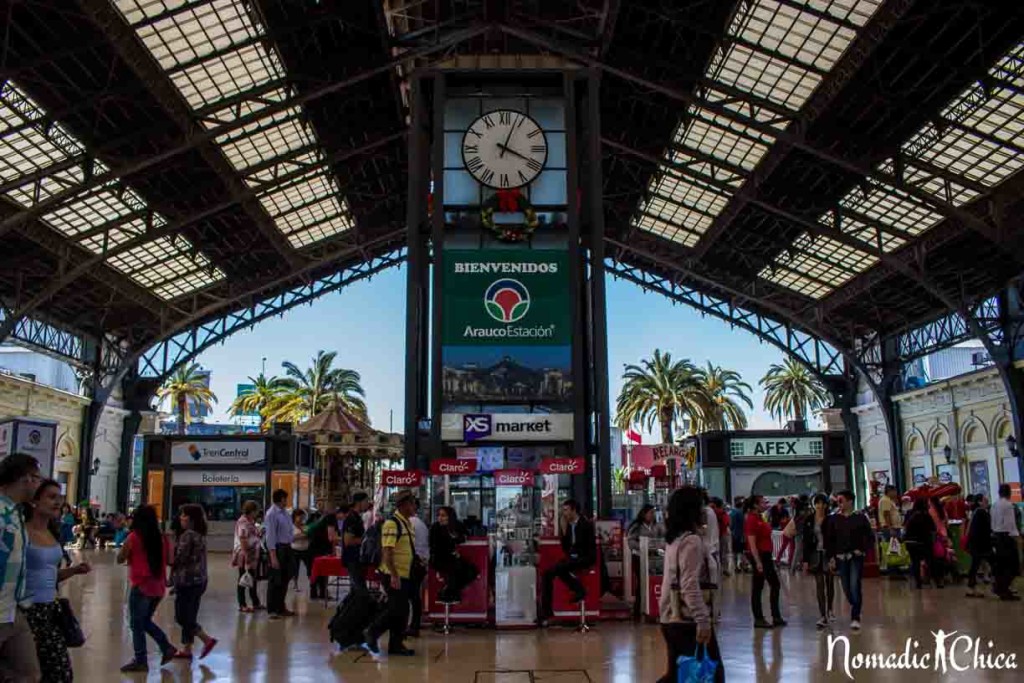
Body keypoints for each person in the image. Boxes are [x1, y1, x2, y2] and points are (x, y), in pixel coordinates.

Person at [22, 478, 91, 683]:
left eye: (60, 497)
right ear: (35, 501)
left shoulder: (52, 534)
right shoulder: (21, 532)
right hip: (27, 609)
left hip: (50, 610)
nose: (58, 502)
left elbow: (49, 576)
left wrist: (74, 571)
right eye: (51, 497)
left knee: (60, 671)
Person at [656, 486, 724, 683]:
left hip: (670, 617)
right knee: (713, 674)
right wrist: (703, 620)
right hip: (687, 621)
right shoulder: (691, 541)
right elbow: (689, 585)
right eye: (701, 506)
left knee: (676, 675)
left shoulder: (674, 538)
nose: (705, 511)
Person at [0, 454, 43, 682]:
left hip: (13, 609)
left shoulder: (16, 513)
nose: (39, 484)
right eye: (36, 478)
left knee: (28, 674)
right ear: (24, 479)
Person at [117, 504, 175, 673]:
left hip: (141, 586)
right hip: (158, 587)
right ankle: (167, 648)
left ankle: (141, 660)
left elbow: (120, 558)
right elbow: (171, 560)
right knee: (144, 622)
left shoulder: (134, 537)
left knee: (136, 624)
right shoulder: (162, 538)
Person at [363, 489, 418, 657]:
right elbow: (387, 552)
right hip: (393, 574)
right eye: (413, 503)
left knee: (401, 611)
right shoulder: (392, 524)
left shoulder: (406, 523)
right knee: (396, 609)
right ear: (404, 505)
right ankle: (372, 631)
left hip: (404, 573)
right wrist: (394, 575)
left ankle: (396, 644)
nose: (415, 506)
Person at [169, 504, 217, 661]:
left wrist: (167, 559)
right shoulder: (200, 534)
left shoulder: (187, 535)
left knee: (181, 617)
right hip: (200, 580)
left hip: (187, 581)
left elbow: (179, 559)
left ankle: (206, 639)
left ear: (190, 519)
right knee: (191, 613)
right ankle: (187, 648)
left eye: (184, 515)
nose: (181, 518)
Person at [539, 500, 596, 626]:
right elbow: (566, 548)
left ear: (574, 510)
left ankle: (579, 589)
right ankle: (547, 612)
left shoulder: (586, 524)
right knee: (548, 573)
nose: (564, 513)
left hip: (585, 558)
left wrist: (575, 557)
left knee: (559, 568)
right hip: (572, 558)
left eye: (566, 510)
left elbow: (589, 549)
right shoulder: (569, 525)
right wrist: (564, 531)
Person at [830, 490, 872, 630]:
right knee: (846, 587)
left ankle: (855, 616)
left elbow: (869, 537)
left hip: (855, 557)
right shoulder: (834, 519)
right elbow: (830, 539)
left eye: (841, 500)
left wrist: (863, 549)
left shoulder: (860, 518)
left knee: (855, 584)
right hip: (841, 558)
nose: (839, 503)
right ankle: (854, 604)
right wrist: (832, 557)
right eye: (838, 500)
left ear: (850, 501)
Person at [744, 494, 783, 628]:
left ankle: (774, 616)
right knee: (761, 586)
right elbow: (751, 542)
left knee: (769, 585)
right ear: (755, 505)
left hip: (766, 554)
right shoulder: (751, 520)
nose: (766, 504)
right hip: (760, 555)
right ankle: (761, 617)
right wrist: (757, 561)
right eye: (763, 502)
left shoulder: (760, 518)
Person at [429, 506, 480, 603]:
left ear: (450, 517)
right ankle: (450, 593)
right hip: (439, 558)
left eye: (443, 516)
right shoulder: (435, 528)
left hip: (452, 557)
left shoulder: (456, 525)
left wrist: (457, 539)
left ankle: (448, 591)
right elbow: (435, 547)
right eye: (439, 515)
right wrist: (453, 545)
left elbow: (465, 536)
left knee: (472, 571)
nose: (440, 518)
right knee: (454, 569)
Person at [801, 493, 835, 628]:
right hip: (815, 555)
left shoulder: (831, 519)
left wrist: (834, 556)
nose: (820, 506)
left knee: (830, 583)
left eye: (822, 503)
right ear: (814, 505)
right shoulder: (809, 520)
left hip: (828, 554)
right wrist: (805, 560)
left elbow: (834, 538)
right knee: (819, 584)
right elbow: (806, 541)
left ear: (826, 505)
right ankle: (822, 615)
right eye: (817, 503)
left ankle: (830, 609)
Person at [264, 489, 296, 619]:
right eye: (285, 498)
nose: (286, 500)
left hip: (287, 548)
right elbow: (270, 536)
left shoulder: (286, 513)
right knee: (275, 580)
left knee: (285, 578)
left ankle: (281, 607)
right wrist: (273, 556)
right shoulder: (271, 514)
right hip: (277, 549)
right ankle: (272, 609)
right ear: (280, 499)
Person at [991, 483, 1021, 601]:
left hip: (997, 537)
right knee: (1013, 565)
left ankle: (1001, 588)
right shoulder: (1008, 505)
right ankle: (1002, 588)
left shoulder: (994, 505)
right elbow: (1010, 524)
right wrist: (1017, 537)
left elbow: (993, 523)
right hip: (1007, 537)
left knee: (1001, 564)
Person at [231, 500, 262, 612]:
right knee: (243, 579)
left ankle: (255, 602)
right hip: (245, 554)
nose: (258, 513)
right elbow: (243, 538)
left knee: (252, 578)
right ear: (252, 511)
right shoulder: (243, 522)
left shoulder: (250, 521)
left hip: (252, 554)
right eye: (256, 511)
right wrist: (246, 555)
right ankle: (242, 604)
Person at [407, 500, 430, 638]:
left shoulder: (411, 523)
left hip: (413, 564)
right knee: (415, 595)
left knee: (411, 596)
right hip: (420, 563)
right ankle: (414, 624)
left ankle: (412, 624)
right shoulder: (420, 523)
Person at [903, 498, 936, 589]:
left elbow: (905, 527)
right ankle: (927, 579)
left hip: (910, 542)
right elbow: (933, 529)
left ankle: (918, 582)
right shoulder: (926, 515)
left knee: (915, 562)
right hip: (924, 542)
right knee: (928, 561)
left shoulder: (909, 514)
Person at [965, 493, 992, 598]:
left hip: (975, 544)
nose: (987, 502)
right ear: (980, 502)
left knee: (975, 566)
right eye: (985, 501)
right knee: (990, 563)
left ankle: (971, 588)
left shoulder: (975, 512)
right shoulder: (982, 513)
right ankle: (1000, 586)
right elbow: (988, 529)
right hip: (981, 545)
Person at [342, 493, 371, 590]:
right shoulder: (351, 518)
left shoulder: (357, 517)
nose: (368, 503)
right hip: (353, 558)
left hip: (358, 558)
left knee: (357, 589)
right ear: (359, 502)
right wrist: (366, 540)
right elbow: (348, 541)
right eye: (366, 501)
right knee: (359, 590)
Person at [927, 496, 950, 587]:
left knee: (934, 558)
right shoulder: (942, 510)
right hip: (944, 536)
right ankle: (943, 577)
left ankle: (936, 578)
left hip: (934, 536)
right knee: (943, 557)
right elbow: (947, 523)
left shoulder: (930, 511)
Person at [289, 509, 310, 591]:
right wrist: (302, 536)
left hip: (305, 549)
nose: (301, 518)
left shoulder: (305, 526)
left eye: (303, 517)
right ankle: (295, 584)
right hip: (295, 549)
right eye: (299, 516)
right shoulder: (291, 527)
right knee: (295, 568)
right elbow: (291, 538)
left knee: (309, 566)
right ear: (294, 517)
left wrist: (304, 534)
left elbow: (309, 535)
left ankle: (311, 582)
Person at [730, 497, 748, 573]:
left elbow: (731, 525)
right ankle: (744, 565)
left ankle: (736, 567)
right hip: (741, 535)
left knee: (735, 552)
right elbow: (745, 524)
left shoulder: (732, 513)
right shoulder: (742, 513)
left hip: (734, 534)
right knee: (742, 551)